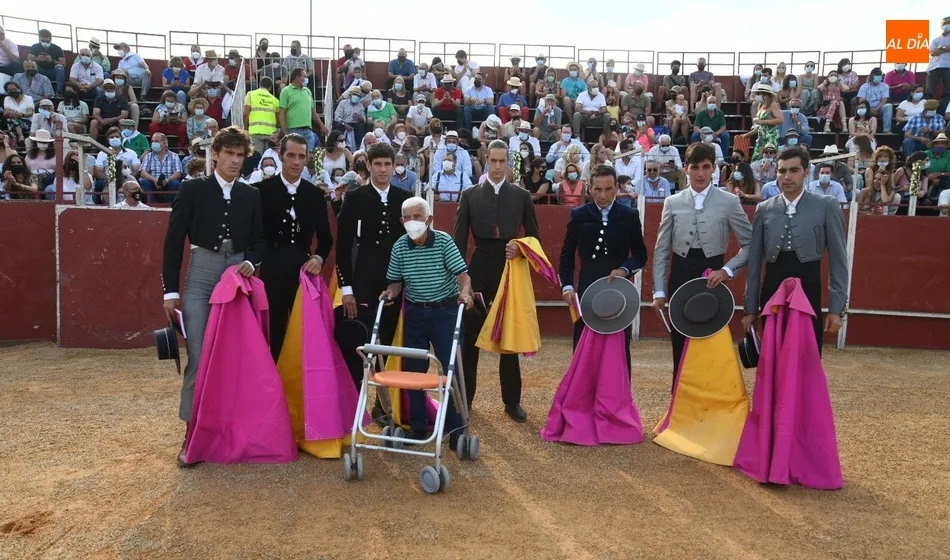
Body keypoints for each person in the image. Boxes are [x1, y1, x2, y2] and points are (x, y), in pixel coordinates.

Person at [161, 126, 265, 467]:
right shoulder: (193, 189)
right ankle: (192, 435)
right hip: (202, 276)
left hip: (236, 278)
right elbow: (174, 241)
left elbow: (259, 240)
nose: (235, 161)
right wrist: (170, 291)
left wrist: (251, 260)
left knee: (235, 357)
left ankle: (232, 431)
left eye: (240, 155)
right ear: (215, 154)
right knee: (199, 354)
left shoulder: (250, 194)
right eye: (229, 154)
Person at [652, 142, 753, 388]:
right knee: (680, 344)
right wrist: (659, 290)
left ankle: (710, 400)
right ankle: (680, 401)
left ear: (714, 169)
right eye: (695, 167)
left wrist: (727, 270)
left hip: (713, 277)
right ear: (686, 168)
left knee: (711, 343)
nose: (700, 173)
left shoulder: (729, 202)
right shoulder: (673, 202)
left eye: (706, 167)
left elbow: (751, 245)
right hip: (680, 276)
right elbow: (662, 249)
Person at [453, 139, 540, 422]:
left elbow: (534, 237)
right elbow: (458, 240)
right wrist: (461, 280)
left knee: (509, 335)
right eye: (494, 161)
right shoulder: (470, 195)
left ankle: (512, 402)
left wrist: (521, 249)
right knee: (469, 334)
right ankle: (465, 401)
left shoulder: (521, 196)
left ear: (508, 162)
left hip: (509, 267)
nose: (498, 166)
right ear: (486, 160)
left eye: (503, 161)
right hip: (478, 266)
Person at [380, 196, 474, 444]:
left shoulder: (443, 241)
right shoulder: (400, 246)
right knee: (413, 372)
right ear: (402, 221)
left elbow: (463, 276)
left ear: (429, 219)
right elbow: (395, 282)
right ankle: (418, 426)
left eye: (417, 216)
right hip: (414, 314)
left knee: (451, 369)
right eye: (407, 217)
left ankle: (455, 428)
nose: (412, 221)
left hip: (445, 312)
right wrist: (390, 292)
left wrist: (465, 293)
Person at [743, 146, 848, 353]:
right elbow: (754, 263)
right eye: (782, 171)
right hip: (772, 290)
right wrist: (750, 308)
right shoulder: (764, 209)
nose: (787, 177)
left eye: (794, 170)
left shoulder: (826, 205)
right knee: (773, 353)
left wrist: (836, 309)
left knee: (806, 354)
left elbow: (839, 261)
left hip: (808, 289)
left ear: (806, 172)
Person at [335, 142, 412, 391]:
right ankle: (356, 400)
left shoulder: (405, 199)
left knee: (390, 341)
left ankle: (385, 402)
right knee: (359, 339)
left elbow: (413, 245)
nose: (382, 169)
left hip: (395, 281)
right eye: (377, 164)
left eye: (387, 164)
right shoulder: (354, 198)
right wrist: (347, 289)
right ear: (368, 166)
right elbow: (343, 246)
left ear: (394, 165)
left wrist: (400, 281)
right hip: (364, 279)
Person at [559, 164, 648, 374]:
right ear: (590, 188)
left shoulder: (629, 215)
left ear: (617, 188)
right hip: (586, 290)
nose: (603, 195)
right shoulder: (579, 215)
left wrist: (624, 270)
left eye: (608, 189)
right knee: (584, 350)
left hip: (618, 291)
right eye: (598, 189)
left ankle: (616, 392)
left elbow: (640, 255)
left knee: (617, 350)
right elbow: (566, 256)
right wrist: (567, 286)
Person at [258, 133, 333, 361]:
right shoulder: (261, 191)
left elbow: (326, 239)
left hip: (302, 270)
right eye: (291, 155)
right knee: (274, 326)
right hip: (270, 267)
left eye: (301, 156)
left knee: (304, 327)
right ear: (280, 156)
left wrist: (318, 258)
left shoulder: (315, 195)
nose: (296, 162)